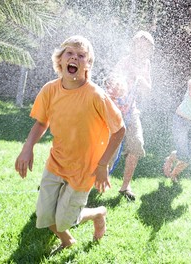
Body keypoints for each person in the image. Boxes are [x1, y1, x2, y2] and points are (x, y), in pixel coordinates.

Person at [14, 35, 126, 253]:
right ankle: (68, 241)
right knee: (44, 215)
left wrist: (102, 165)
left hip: (84, 169)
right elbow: (41, 123)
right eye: (70, 54)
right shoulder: (50, 90)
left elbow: (120, 130)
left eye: (81, 55)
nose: (75, 57)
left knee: (65, 219)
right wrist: (27, 148)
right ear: (61, 60)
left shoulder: (96, 95)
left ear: (87, 65)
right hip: (56, 162)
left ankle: (98, 213)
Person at [110, 30, 154, 201]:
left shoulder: (146, 64)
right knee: (110, 151)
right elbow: (112, 82)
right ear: (133, 46)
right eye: (140, 46)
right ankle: (95, 180)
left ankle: (125, 186)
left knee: (136, 144)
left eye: (147, 48)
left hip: (132, 111)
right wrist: (125, 78)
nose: (143, 50)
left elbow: (148, 89)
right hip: (115, 111)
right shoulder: (124, 61)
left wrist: (141, 80)